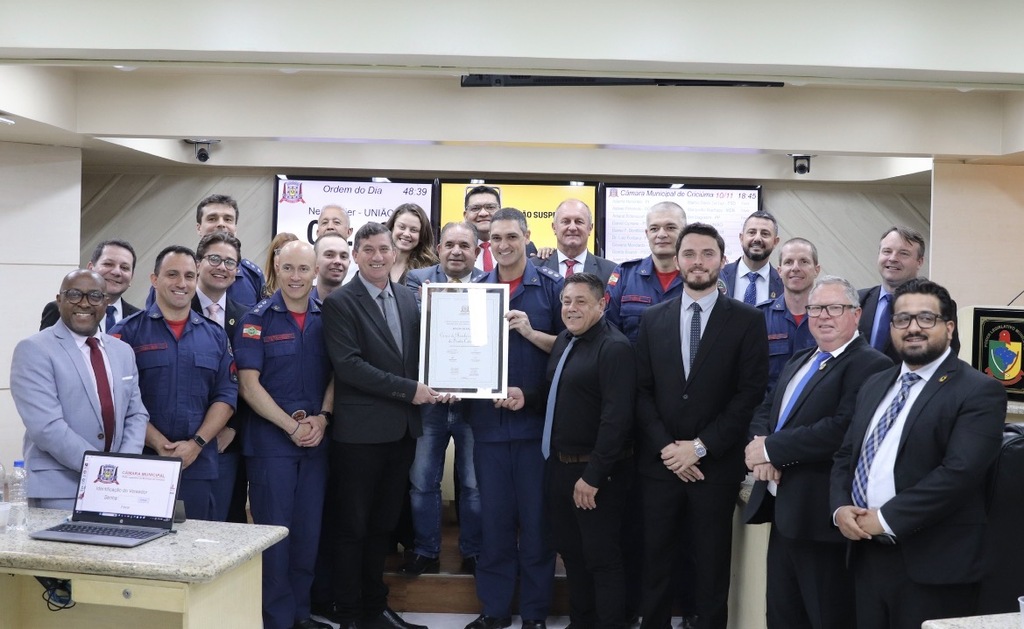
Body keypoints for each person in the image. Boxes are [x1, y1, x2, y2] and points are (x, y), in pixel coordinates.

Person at [830, 278, 1006, 629]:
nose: (913, 328)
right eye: (902, 319)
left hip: (933, 567)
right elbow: (845, 455)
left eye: (926, 318)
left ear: (949, 326)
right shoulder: (876, 383)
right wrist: (839, 509)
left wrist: (885, 518)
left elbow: (959, 473)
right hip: (865, 556)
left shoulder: (979, 391)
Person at [634, 222, 768, 629]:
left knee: (711, 566)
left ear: (722, 261)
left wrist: (700, 447)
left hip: (716, 467)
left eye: (707, 254)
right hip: (660, 467)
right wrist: (670, 450)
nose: (697, 262)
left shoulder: (747, 320)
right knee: (655, 563)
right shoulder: (652, 319)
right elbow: (640, 393)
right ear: (677, 261)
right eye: (689, 254)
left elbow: (749, 395)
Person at [743, 276, 890, 629]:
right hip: (782, 512)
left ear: (856, 314)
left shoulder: (872, 365)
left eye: (834, 308)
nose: (823, 316)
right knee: (781, 616)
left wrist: (772, 450)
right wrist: (761, 447)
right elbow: (767, 408)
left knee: (825, 617)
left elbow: (841, 429)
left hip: (821, 519)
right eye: (815, 308)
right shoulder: (800, 358)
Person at [321, 222, 443, 629]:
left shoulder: (410, 299)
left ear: (395, 254)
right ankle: (350, 614)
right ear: (355, 255)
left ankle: (376, 608)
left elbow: (427, 355)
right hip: (360, 437)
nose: (377, 256)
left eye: (383, 249)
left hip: (403, 434)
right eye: (368, 249)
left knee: (382, 528)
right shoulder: (341, 302)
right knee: (352, 528)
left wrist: (450, 381)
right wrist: (411, 390)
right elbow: (350, 367)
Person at [463, 208, 563, 629]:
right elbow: (459, 352)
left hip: (536, 427)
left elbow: (573, 351)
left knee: (537, 526)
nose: (503, 246)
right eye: (495, 239)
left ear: (527, 237)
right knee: (495, 524)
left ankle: (536, 614)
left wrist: (529, 332)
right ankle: (495, 610)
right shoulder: (474, 290)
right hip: (487, 429)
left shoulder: (553, 290)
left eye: (511, 237)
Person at [235, 241, 334, 629]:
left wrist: (324, 417)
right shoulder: (256, 319)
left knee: (308, 535)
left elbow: (338, 373)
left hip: (316, 442)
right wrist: (291, 426)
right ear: (276, 266)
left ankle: (300, 614)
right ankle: (276, 620)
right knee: (275, 538)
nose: (296, 277)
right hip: (271, 446)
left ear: (315, 272)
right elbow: (248, 385)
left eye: (303, 269)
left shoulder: (329, 317)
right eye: (288, 268)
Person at [111, 245, 237, 521]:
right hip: (142, 463)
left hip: (198, 464)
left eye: (189, 276)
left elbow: (226, 396)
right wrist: (159, 444)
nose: (182, 283)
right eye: (172, 275)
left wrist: (196, 444)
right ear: (154, 279)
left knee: (197, 549)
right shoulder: (126, 333)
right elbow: (117, 400)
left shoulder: (215, 335)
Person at [13, 269, 148, 509]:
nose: (84, 303)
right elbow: (47, 428)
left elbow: (136, 414)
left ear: (106, 302)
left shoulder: (123, 351)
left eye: (95, 296)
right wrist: (103, 468)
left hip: (118, 487)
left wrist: (122, 466)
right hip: (59, 489)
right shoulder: (34, 350)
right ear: (59, 300)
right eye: (74, 295)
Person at [545, 272, 636, 629]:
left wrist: (592, 477)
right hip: (560, 468)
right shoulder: (565, 341)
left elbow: (617, 421)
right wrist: (526, 397)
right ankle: (580, 623)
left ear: (602, 304)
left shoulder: (614, 348)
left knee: (602, 559)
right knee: (573, 556)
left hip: (597, 476)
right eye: (567, 301)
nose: (571, 308)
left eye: (581, 301)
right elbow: (561, 397)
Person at [401, 222, 484, 576]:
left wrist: (467, 378)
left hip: (471, 405)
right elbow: (408, 333)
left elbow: (484, 342)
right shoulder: (415, 282)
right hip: (427, 401)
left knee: (473, 483)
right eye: (449, 244)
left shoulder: (489, 286)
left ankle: (474, 551)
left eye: (464, 245)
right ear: (438, 248)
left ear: (477, 252)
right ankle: (425, 551)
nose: (456, 251)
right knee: (422, 480)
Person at [191, 232, 249, 523]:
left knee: (225, 521)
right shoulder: (176, 308)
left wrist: (233, 427)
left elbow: (250, 382)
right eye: (214, 259)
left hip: (228, 441)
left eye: (230, 262)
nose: (222, 267)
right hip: (182, 438)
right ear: (199, 263)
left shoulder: (248, 318)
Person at [857, 226, 958, 363]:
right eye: (887, 251)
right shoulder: (857, 301)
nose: (892, 258)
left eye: (903, 253)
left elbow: (945, 358)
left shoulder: (938, 305)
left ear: (919, 262)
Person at [605, 201, 687, 344]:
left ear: (684, 232)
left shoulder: (700, 276)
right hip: (633, 364)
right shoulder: (625, 274)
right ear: (647, 233)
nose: (661, 234)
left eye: (671, 227)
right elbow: (608, 329)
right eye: (654, 228)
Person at [760, 238, 821, 394]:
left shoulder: (829, 318)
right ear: (779, 271)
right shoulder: (760, 317)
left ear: (817, 270)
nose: (795, 268)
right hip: (768, 412)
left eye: (803, 262)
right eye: (788, 262)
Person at [40, 239, 140, 331]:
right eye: (108, 264)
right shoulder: (59, 309)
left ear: (131, 277)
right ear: (90, 268)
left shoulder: (139, 318)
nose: (117, 272)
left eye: (124, 267)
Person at [194, 194, 266, 307]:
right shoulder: (179, 273)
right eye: (212, 219)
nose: (221, 224)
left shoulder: (253, 277)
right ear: (199, 228)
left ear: (235, 228)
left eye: (228, 219)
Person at [531, 199, 617, 284]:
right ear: (554, 228)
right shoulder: (533, 267)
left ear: (590, 228)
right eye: (565, 222)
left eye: (579, 222)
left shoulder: (611, 271)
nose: (572, 227)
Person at [718, 210, 783, 306]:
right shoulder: (719, 275)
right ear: (741, 238)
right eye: (752, 232)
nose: (757, 238)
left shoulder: (783, 283)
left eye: (765, 234)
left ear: (775, 242)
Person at [386, 202, 438, 284]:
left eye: (413, 230)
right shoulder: (379, 261)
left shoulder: (431, 269)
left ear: (422, 235)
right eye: (402, 227)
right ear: (392, 228)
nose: (406, 234)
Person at [311, 232, 351, 302]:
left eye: (343, 256)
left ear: (349, 263)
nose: (338, 261)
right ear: (314, 260)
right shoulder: (300, 305)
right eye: (329, 255)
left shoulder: (358, 308)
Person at [262, 232, 299, 298]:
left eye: (290, 252)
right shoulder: (259, 293)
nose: (284, 257)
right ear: (272, 258)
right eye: (279, 252)